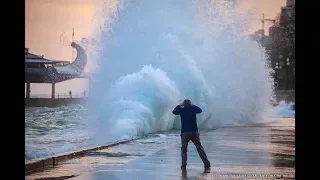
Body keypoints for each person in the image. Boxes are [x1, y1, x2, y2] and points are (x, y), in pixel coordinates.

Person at [172, 99, 211, 172]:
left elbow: (174, 112)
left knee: (184, 149)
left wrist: (179, 105)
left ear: (184, 104)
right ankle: (206, 163)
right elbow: (200, 110)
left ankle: (184, 165)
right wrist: (193, 105)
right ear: (190, 103)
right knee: (199, 148)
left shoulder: (181, 110)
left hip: (185, 132)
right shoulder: (193, 109)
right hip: (194, 132)